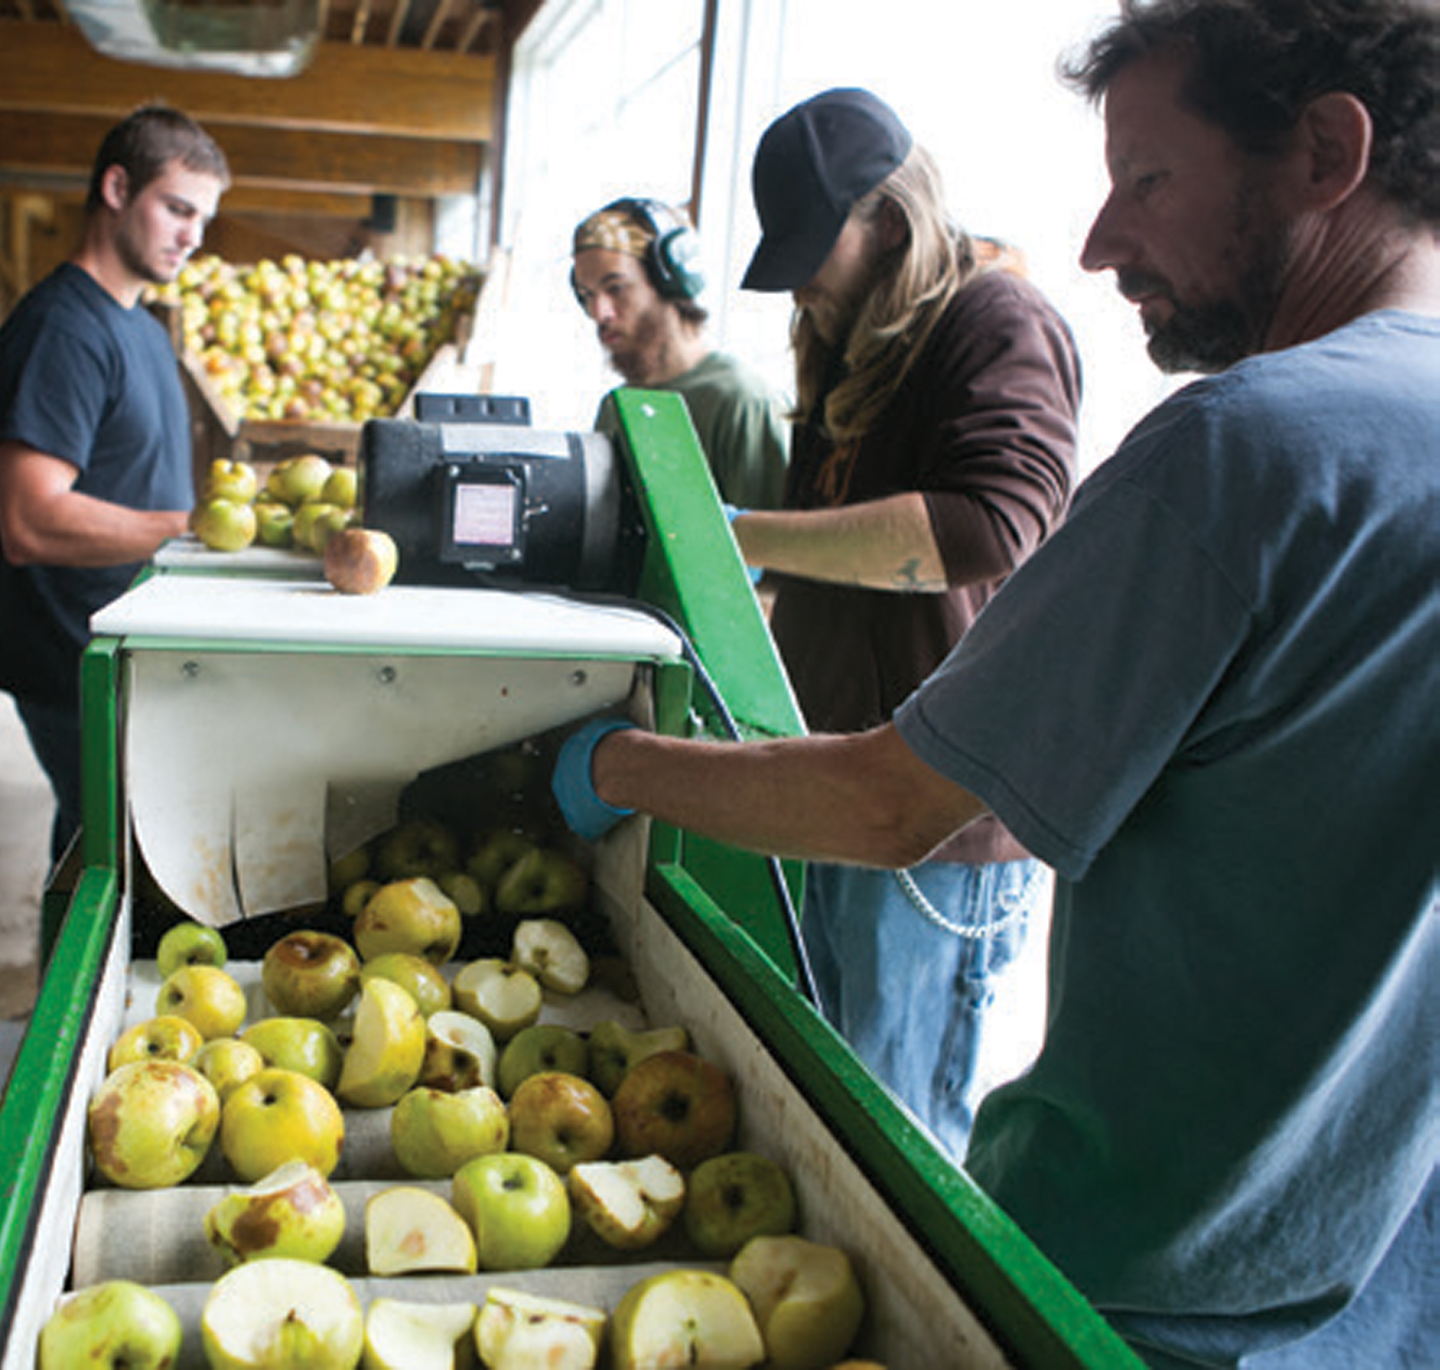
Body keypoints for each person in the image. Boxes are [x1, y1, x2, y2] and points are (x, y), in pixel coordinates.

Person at [552, 0, 1438, 1363]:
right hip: (1378, 1303)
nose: (1096, 239)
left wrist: (601, 765)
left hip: (1139, 1282)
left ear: (1325, 151)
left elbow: (893, 801)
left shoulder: (1239, 452)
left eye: (1144, 176)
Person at [728, 88, 1082, 1157]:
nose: (801, 283)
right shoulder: (849, 348)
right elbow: (826, 557)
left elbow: (994, 523)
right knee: (839, 1097)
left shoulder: (992, 319)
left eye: (813, 249)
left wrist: (750, 534)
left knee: (900, 1128)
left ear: (885, 221)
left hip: (942, 816)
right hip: (844, 782)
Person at [0, 104, 230, 872]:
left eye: (204, 218)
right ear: (117, 187)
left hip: (120, 639)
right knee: (107, 865)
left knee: (104, 850)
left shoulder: (142, 328)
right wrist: (188, 531)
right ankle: (63, 996)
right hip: (72, 655)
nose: (192, 235)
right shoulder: (64, 330)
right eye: (177, 208)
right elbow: (30, 518)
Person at [570, 197, 789, 509]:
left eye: (615, 287)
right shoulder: (616, 408)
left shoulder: (743, 401)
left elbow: (773, 550)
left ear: (670, 279)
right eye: (587, 296)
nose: (599, 312)